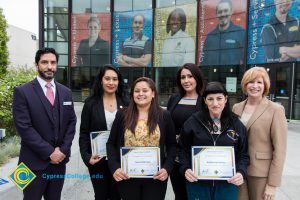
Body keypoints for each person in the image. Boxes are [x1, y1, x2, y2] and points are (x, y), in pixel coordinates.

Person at [12, 48, 77, 200]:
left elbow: (72, 122)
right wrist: (50, 152)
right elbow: (24, 127)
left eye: (53, 63)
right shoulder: (22, 91)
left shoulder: (66, 92)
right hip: (30, 164)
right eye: (45, 62)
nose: (49, 66)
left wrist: (63, 150)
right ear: (36, 64)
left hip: (59, 163)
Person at [106, 77, 176, 200]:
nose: (141, 94)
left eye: (145, 90)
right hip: (128, 175)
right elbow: (111, 143)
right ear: (132, 94)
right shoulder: (122, 115)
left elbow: (172, 145)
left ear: (153, 93)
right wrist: (115, 167)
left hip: (155, 177)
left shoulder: (164, 115)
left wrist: (167, 168)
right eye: (137, 91)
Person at [179, 82, 249, 200]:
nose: (215, 103)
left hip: (227, 185)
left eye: (219, 98)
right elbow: (182, 150)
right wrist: (185, 168)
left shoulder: (236, 124)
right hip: (198, 184)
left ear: (226, 99)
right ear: (205, 101)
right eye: (210, 99)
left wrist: (241, 172)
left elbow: (244, 155)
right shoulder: (193, 122)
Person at [233, 67, 287, 200]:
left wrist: (272, 184)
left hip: (261, 173)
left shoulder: (276, 110)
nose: (255, 86)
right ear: (245, 85)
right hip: (238, 170)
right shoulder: (236, 107)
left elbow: (280, 150)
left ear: (265, 85)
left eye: (259, 82)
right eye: (251, 82)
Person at [79, 65, 128, 200]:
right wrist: (86, 156)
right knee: (100, 195)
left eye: (114, 79)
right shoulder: (90, 103)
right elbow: (83, 133)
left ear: (119, 82)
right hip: (98, 160)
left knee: (117, 195)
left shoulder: (127, 102)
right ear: (101, 80)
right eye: (107, 79)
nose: (111, 83)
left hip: (120, 160)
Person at [167, 63, 205, 200]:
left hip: (195, 157)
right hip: (176, 157)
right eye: (183, 77)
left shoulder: (205, 100)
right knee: (179, 194)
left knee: (194, 194)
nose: (186, 80)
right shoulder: (174, 99)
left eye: (190, 76)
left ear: (197, 78)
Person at [201, 0, 245, 66]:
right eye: (220, 12)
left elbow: (245, 61)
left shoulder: (241, 33)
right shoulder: (209, 37)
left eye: (226, 11)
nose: (223, 14)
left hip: (233, 75)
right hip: (212, 75)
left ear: (231, 12)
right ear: (216, 14)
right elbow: (203, 63)